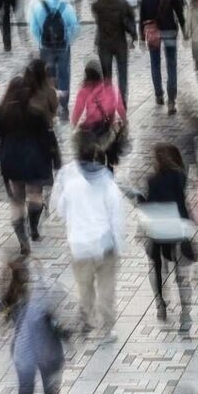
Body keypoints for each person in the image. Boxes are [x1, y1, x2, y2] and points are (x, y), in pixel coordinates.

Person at [51, 136, 128, 342]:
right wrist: (120, 244)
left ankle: (88, 320)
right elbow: (116, 215)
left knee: (84, 286)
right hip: (104, 245)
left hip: (78, 244)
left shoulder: (69, 179)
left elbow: (59, 209)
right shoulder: (107, 183)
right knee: (106, 287)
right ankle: (106, 329)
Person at [0, 70, 61, 255]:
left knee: (17, 199)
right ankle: (34, 228)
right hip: (34, 159)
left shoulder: (2, 111)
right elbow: (48, 136)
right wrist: (55, 159)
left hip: (11, 160)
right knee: (35, 195)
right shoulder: (37, 111)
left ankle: (22, 238)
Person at [0, 255, 67, 394]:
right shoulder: (27, 297)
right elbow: (59, 322)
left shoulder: (25, 297)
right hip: (43, 354)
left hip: (31, 354)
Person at [141, 143, 195, 335]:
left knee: (156, 268)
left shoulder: (152, 181)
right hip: (179, 230)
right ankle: (186, 314)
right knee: (182, 277)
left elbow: (149, 205)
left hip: (158, 232)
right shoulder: (181, 177)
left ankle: (160, 303)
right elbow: (182, 202)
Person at [29, 0, 79, 117]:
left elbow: (33, 27)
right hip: (63, 46)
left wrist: (41, 41)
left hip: (45, 47)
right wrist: (67, 39)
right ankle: (64, 106)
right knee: (64, 74)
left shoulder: (37, 3)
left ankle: (50, 105)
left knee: (48, 76)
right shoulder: (64, 3)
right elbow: (74, 25)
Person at [139, 0, 186, 112]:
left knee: (155, 62)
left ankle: (159, 94)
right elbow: (180, 15)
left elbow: (142, 18)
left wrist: (141, 37)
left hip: (153, 33)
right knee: (171, 64)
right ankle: (171, 99)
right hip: (170, 31)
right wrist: (185, 33)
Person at [90, 0, 135, 108]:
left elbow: (97, 17)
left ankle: (109, 99)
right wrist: (133, 35)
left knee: (107, 75)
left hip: (104, 44)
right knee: (122, 73)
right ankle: (122, 99)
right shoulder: (122, 4)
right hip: (120, 43)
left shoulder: (97, 6)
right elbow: (130, 19)